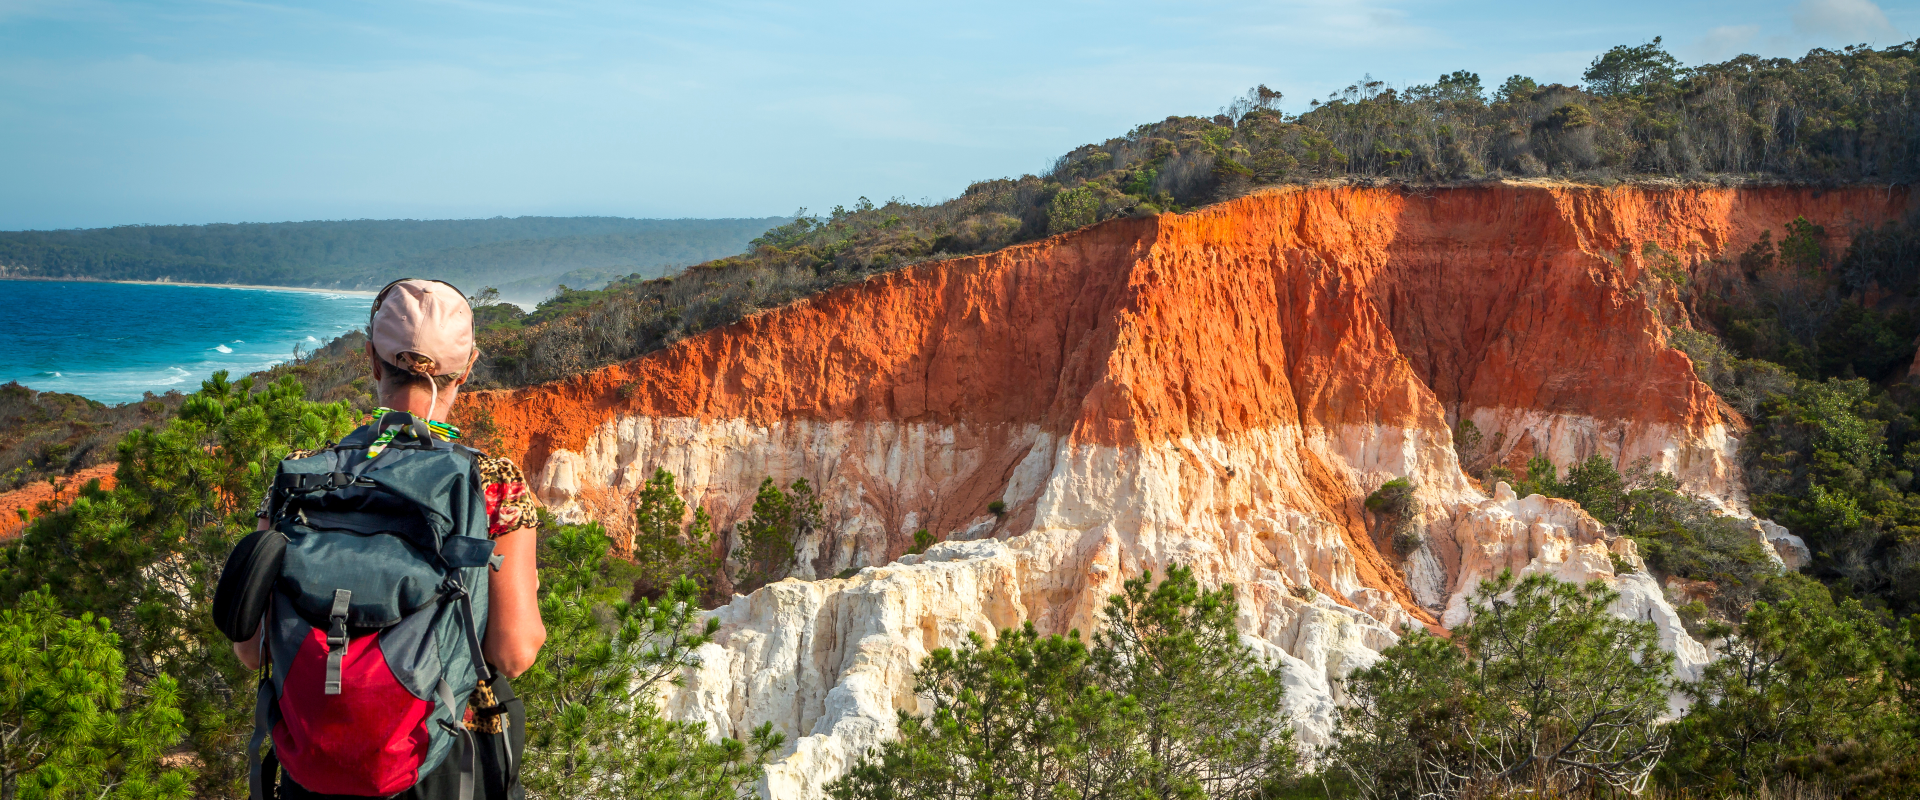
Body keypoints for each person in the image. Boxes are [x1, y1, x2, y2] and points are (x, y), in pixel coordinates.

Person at [233, 279, 546, 799]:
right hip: (439, 757)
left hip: (313, 760)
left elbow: (252, 649)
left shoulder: (301, 477)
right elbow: (513, 651)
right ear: (467, 370)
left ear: (372, 361)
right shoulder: (492, 482)